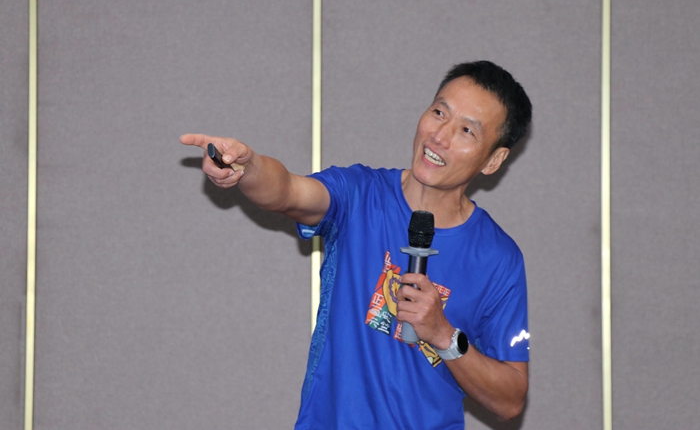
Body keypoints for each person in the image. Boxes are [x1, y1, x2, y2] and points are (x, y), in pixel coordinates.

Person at [181, 60, 532, 429]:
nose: (440, 137)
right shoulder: (360, 194)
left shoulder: (499, 258)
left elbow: (510, 399)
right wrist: (247, 168)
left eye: (466, 130)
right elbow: (286, 191)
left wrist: (444, 335)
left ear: (494, 159)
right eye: (439, 112)